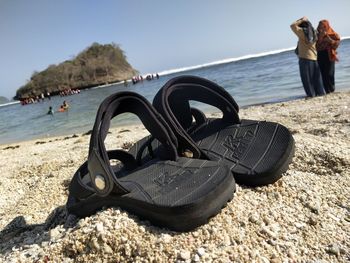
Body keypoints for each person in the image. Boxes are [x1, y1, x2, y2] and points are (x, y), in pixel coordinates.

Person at [290, 17, 325, 97]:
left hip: (305, 59)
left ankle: (311, 95)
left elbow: (292, 25)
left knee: (307, 79)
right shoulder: (314, 32)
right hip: (314, 58)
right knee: (317, 78)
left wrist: (302, 19)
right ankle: (320, 93)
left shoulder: (303, 32)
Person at [316, 20, 340, 94]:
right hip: (319, 55)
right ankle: (327, 91)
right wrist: (320, 37)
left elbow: (336, 45)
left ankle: (332, 89)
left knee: (330, 73)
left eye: (323, 26)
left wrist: (330, 40)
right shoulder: (316, 35)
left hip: (329, 54)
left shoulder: (333, 34)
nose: (321, 27)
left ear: (327, 26)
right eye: (320, 26)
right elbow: (314, 46)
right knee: (323, 74)